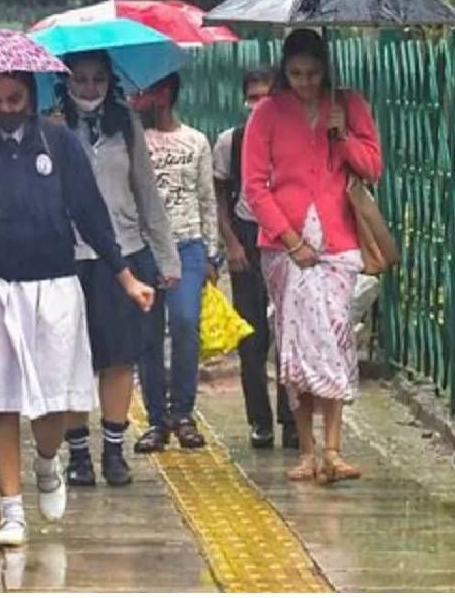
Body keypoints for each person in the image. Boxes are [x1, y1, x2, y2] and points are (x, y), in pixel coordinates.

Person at [0, 71, 155, 547]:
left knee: (54, 400)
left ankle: (48, 461)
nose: (4, 108)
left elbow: (91, 215)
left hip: (53, 283)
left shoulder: (59, 144)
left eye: (13, 98)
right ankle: (12, 509)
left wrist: (126, 277)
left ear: (30, 97)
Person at [241, 28, 382, 484]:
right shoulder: (267, 113)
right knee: (296, 343)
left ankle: (334, 447)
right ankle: (305, 448)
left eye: (313, 73)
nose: (305, 82)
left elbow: (373, 167)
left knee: (336, 338)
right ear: (285, 71)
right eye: (296, 73)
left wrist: (342, 137)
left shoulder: (349, 105)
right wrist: (290, 240)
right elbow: (254, 186)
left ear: (325, 70)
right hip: (286, 248)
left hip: (338, 242)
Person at [49, 51, 180, 487]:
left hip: (123, 254)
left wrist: (166, 258)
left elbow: (146, 193)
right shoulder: (51, 127)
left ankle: (114, 450)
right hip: (67, 257)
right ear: (66, 81)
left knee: (120, 357)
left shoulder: (126, 125)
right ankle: (79, 453)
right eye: (81, 79)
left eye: (98, 80)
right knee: (72, 359)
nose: (89, 88)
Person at [212, 69, 299, 450]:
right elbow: (220, 197)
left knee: (290, 332)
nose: (258, 104)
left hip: (287, 238)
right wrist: (230, 244)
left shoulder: (294, 139)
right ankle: (259, 420)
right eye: (252, 97)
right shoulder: (230, 142)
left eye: (267, 96)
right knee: (252, 336)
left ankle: (292, 418)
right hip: (247, 236)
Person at [133, 72, 220, 451]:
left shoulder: (197, 141)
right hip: (143, 246)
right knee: (147, 334)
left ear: (164, 94)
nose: (139, 99)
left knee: (186, 323)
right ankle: (155, 418)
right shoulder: (132, 141)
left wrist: (211, 251)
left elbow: (206, 197)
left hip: (188, 245)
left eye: (146, 91)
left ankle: (183, 411)